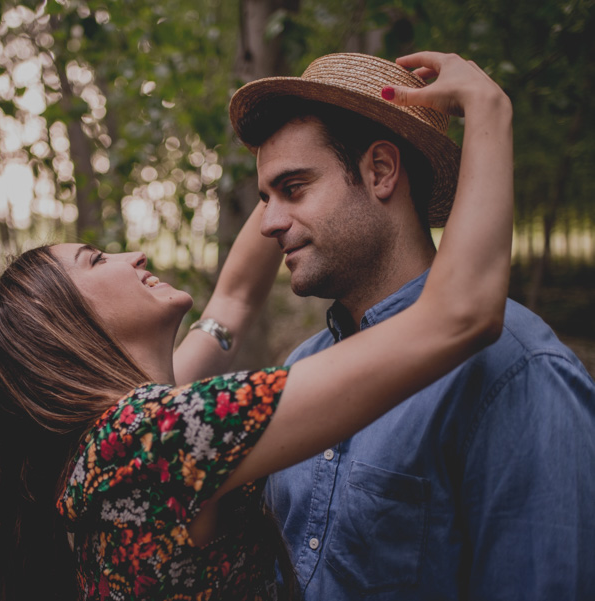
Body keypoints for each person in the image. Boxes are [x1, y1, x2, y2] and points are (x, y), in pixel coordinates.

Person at [0, 51, 514, 601]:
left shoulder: (130, 428)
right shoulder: (147, 442)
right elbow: (460, 314)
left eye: (289, 191)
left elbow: (231, 302)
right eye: (95, 260)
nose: (130, 255)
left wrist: (301, 148)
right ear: (65, 330)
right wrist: (488, 110)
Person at [229, 52, 595, 600]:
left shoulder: (516, 373)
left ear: (380, 171)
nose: (269, 223)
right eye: (265, 198)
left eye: (294, 188)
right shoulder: (300, 370)